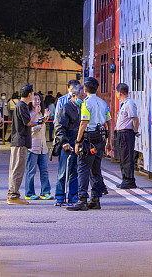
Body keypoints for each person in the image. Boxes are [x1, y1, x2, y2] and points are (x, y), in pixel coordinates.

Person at [67, 77, 111, 211]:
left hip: (88, 139)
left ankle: (82, 200)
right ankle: (95, 200)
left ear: (85, 89)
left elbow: (83, 123)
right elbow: (109, 122)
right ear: (96, 89)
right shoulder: (102, 102)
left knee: (83, 169)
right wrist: (109, 141)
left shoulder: (86, 103)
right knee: (96, 170)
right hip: (100, 138)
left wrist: (78, 141)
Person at [53, 84, 84, 206]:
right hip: (67, 144)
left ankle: (73, 196)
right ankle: (60, 197)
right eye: (81, 96)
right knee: (63, 172)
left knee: (75, 172)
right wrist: (64, 142)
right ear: (74, 95)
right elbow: (59, 127)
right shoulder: (66, 108)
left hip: (77, 144)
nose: (83, 98)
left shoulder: (82, 107)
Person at [7, 85, 34, 205]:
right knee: (18, 169)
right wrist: (37, 114)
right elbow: (27, 123)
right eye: (33, 93)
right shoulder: (22, 106)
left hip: (18, 141)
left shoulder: (20, 105)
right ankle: (13, 196)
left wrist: (40, 121)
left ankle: (13, 194)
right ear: (29, 95)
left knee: (15, 168)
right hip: (20, 141)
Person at [24, 93, 52, 200]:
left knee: (44, 170)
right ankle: (29, 193)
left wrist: (44, 118)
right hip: (32, 147)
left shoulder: (42, 113)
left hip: (43, 147)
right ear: (30, 101)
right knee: (31, 171)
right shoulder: (29, 114)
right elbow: (33, 130)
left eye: (39, 100)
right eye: (35, 99)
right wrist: (41, 121)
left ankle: (45, 192)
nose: (37, 102)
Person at [113, 83, 138, 189]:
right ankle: (125, 179)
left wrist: (134, 132)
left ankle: (129, 180)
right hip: (122, 133)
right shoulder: (124, 104)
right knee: (123, 158)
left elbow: (135, 119)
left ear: (120, 92)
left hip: (126, 134)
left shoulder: (129, 104)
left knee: (127, 158)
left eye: (116, 92)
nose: (116, 94)